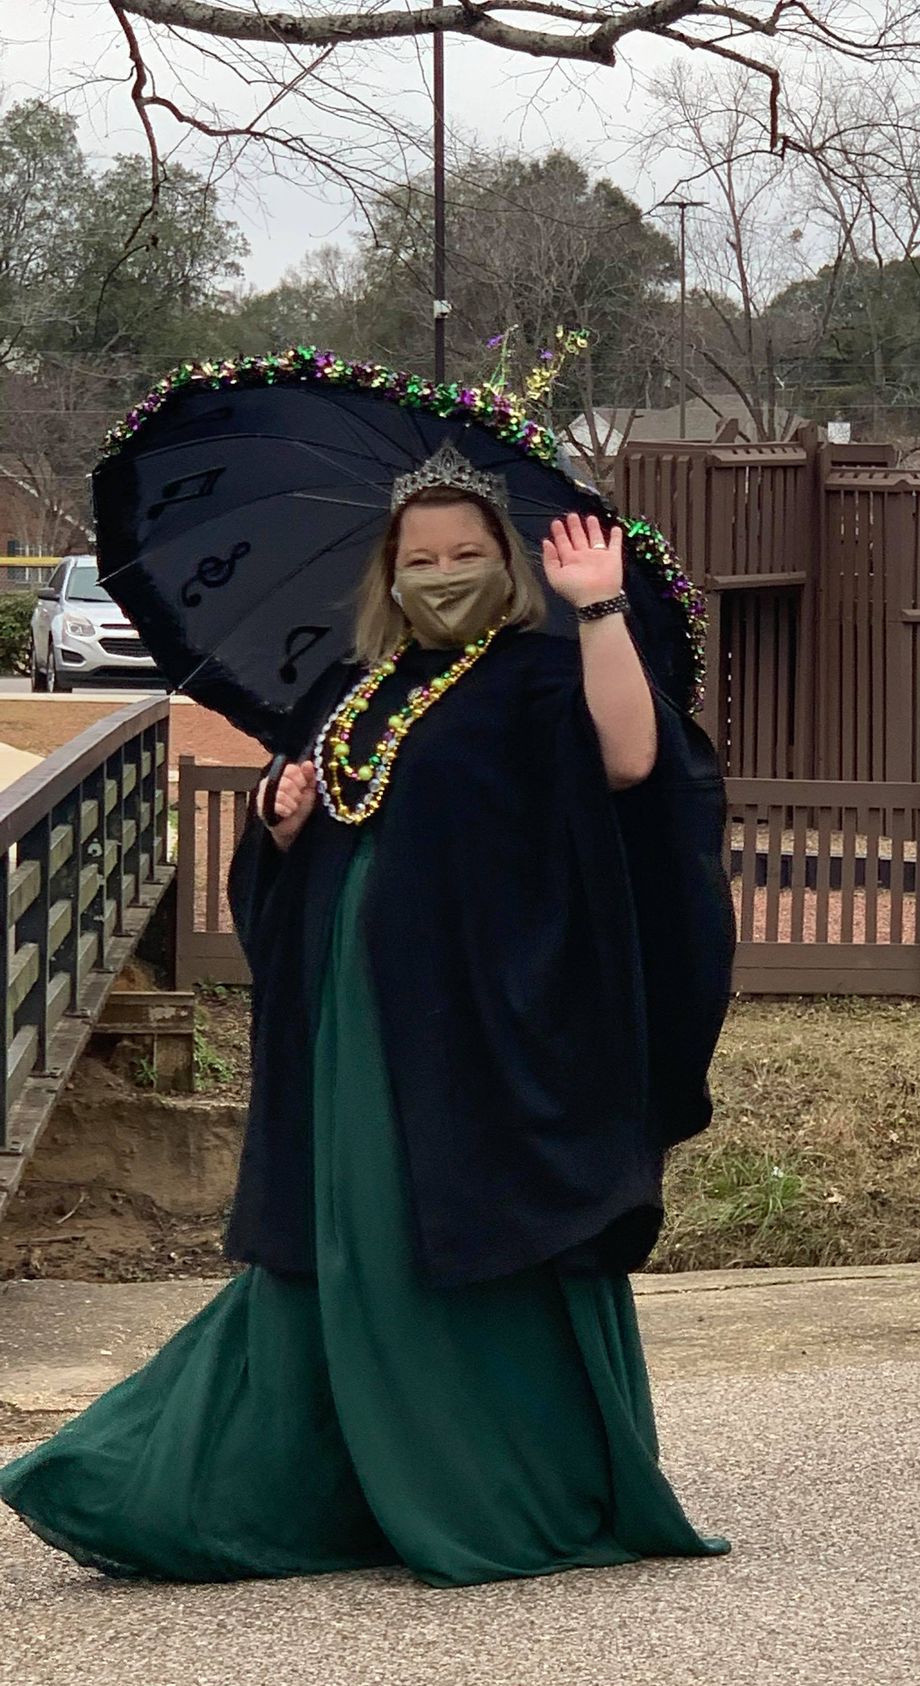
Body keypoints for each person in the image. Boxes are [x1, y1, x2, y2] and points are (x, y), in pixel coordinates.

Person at [0, 450, 733, 1587]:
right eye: (421, 559)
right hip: (351, 1007)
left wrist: (598, 607)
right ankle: (288, 1478)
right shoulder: (356, 686)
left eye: (467, 555)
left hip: (484, 1021)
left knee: (460, 1215)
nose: (443, 575)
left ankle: (492, 1476)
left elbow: (634, 762)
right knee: (349, 1220)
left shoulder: (543, 674)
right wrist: (284, 821)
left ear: (508, 565)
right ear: (389, 573)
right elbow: (331, 817)